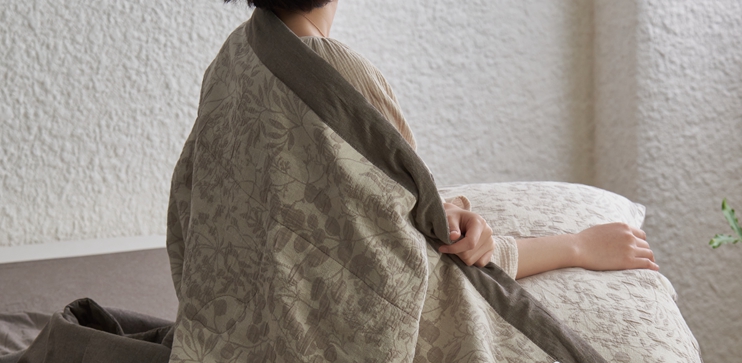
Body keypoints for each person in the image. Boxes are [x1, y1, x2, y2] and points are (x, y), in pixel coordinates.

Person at [224, 0, 659, 279]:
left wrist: (442, 209)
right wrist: (577, 246)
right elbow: (423, 253)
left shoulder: (238, 53)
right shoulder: (339, 72)